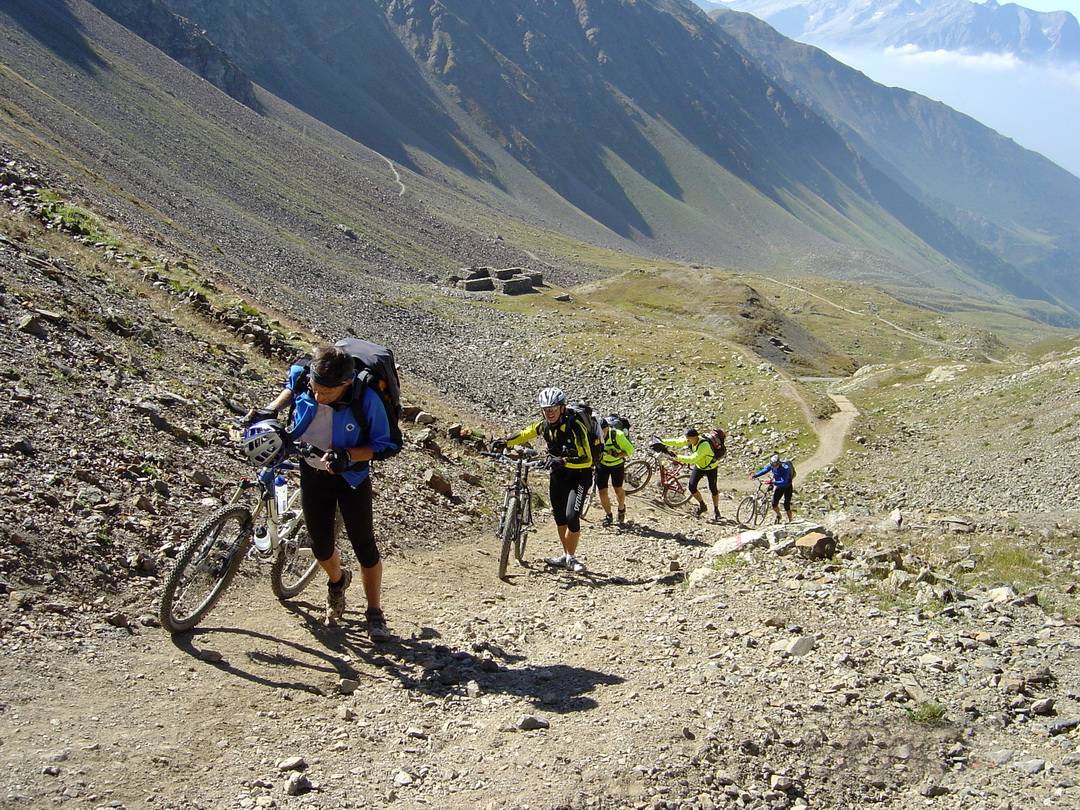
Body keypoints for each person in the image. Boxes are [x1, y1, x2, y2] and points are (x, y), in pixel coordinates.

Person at [249, 345, 399, 639]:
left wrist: (348, 456)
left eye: (326, 393)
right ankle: (337, 581)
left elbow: (389, 444)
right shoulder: (305, 374)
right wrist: (272, 409)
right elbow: (291, 388)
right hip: (312, 470)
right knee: (320, 546)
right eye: (315, 389)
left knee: (364, 547)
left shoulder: (365, 396)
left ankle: (374, 612)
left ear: (345, 383)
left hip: (350, 478)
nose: (318, 396)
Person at [496, 388, 597, 573]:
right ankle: (566, 556)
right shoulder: (545, 425)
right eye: (545, 409)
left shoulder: (575, 426)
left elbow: (587, 459)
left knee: (572, 517)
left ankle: (571, 558)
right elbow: (526, 432)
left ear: (562, 408)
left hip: (579, 476)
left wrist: (563, 460)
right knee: (560, 519)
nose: (549, 412)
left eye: (553, 408)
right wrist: (505, 441)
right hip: (558, 475)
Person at [661, 428, 721, 521]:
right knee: (692, 487)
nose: (687, 440)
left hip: (711, 468)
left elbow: (692, 459)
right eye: (687, 438)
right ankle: (702, 506)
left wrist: (676, 457)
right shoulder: (691, 440)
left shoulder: (704, 445)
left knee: (713, 488)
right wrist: (661, 441)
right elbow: (678, 442)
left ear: (695, 437)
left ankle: (716, 510)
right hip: (700, 466)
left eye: (689, 438)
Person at [597, 416, 635, 527]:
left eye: (602, 430)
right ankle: (609, 515)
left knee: (618, 489)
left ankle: (621, 508)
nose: (601, 433)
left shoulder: (617, 435)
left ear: (607, 428)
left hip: (617, 465)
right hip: (602, 464)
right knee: (602, 492)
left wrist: (618, 454)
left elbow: (630, 450)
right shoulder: (594, 436)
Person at [751, 453, 796, 523]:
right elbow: (765, 470)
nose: (774, 467)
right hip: (779, 486)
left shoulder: (785, 468)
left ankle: (790, 520)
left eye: (776, 465)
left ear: (779, 463)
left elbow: (784, 481)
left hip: (787, 486)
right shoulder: (772, 465)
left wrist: (773, 482)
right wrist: (755, 475)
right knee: (774, 504)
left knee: (786, 505)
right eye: (773, 465)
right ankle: (779, 515)